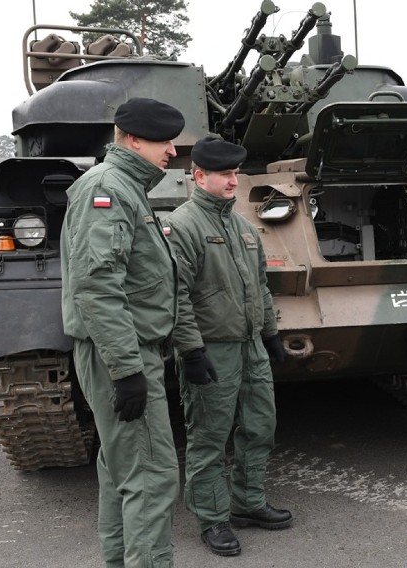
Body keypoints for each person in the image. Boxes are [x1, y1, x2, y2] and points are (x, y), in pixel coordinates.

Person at [60, 97, 184, 568]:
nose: (172, 151)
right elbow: (97, 286)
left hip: (121, 348)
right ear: (132, 139)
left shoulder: (124, 186)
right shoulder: (109, 188)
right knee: (151, 478)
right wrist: (129, 368)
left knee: (121, 474)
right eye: (163, 141)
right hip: (121, 352)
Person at [165, 136, 292, 557]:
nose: (234, 180)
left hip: (250, 344)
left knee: (260, 426)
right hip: (211, 347)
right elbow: (176, 295)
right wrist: (191, 350)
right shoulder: (183, 225)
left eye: (236, 173)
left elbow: (259, 284)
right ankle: (213, 518)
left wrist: (270, 333)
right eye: (225, 174)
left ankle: (248, 502)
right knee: (209, 437)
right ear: (200, 176)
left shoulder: (241, 224)